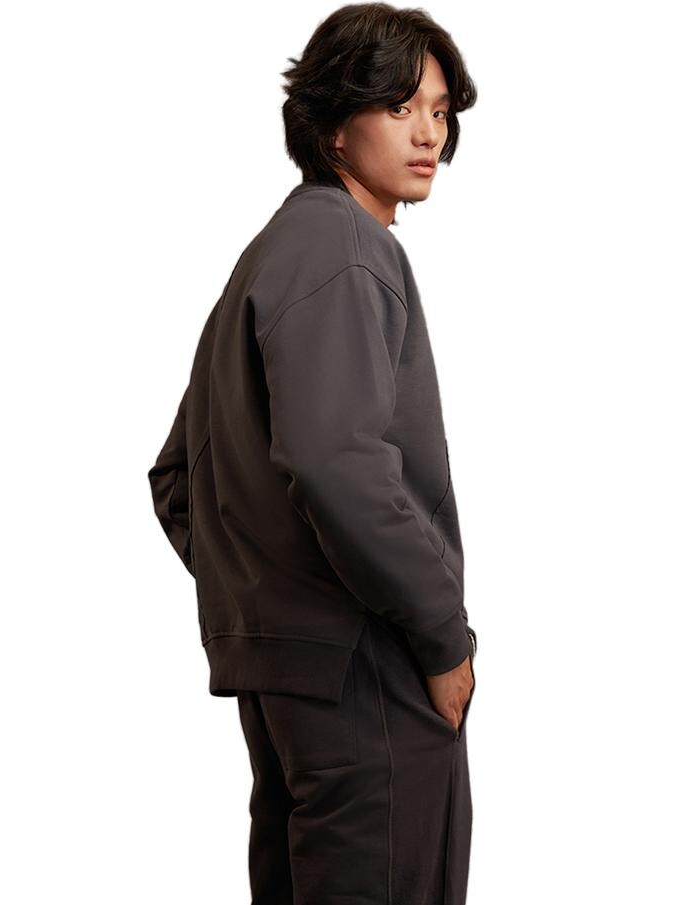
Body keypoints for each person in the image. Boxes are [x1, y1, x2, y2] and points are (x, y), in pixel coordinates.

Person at [148, 4, 479, 902]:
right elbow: (336, 463)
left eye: (438, 111)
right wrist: (441, 639)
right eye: (398, 107)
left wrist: (273, 608)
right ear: (332, 125)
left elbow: (180, 478)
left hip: (295, 685)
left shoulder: (270, 255)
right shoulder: (343, 247)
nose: (427, 134)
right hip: (368, 675)